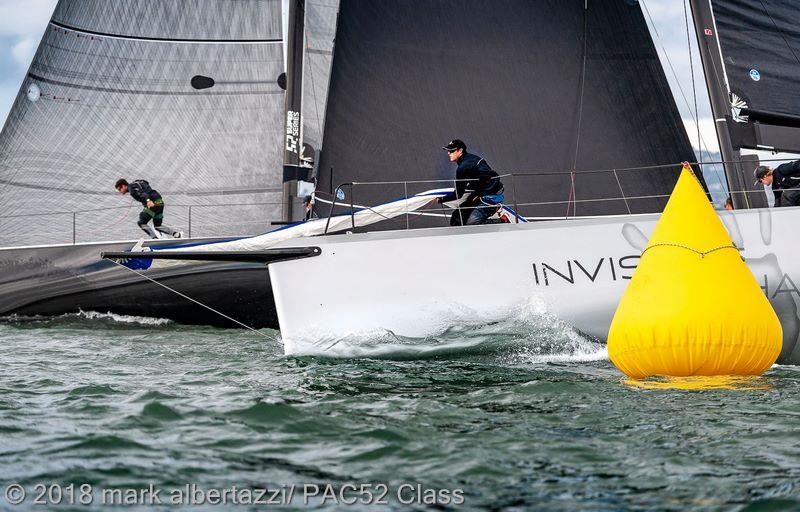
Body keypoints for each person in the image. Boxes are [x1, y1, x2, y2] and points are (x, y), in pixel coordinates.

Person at [438, 139, 506, 225]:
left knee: (472, 224)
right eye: (448, 150)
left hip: (490, 197)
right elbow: (483, 177)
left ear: (460, 151)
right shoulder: (473, 158)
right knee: (457, 218)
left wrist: (442, 199)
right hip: (479, 193)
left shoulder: (463, 167)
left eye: (451, 151)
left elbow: (459, 194)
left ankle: (501, 221)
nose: (448, 153)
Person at [115, 178, 183, 239]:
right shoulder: (137, 182)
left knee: (141, 222)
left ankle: (154, 238)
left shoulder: (131, 188)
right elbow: (146, 183)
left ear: (123, 186)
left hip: (153, 204)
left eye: (119, 189)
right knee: (157, 226)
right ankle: (175, 234)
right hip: (160, 203)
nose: (120, 192)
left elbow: (142, 193)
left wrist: (148, 200)